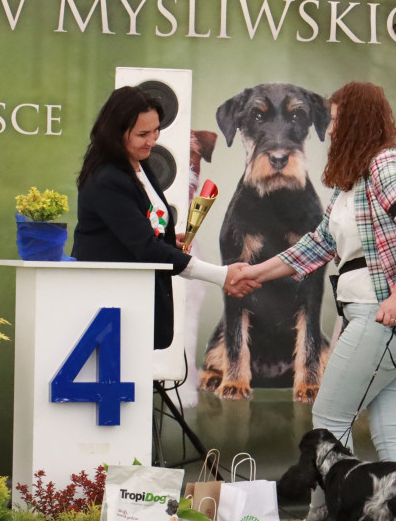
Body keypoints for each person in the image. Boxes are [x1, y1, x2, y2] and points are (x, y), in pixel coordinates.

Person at [233, 82, 396, 521]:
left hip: (387, 321)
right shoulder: (353, 184)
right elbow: (316, 247)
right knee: (392, 433)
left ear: (357, 121)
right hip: (394, 325)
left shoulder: (388, 166)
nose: (328, 130)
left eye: (335, 120)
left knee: (329, 421)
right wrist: (254, 273)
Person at [72, 86, 257, 349]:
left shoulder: (140, 163)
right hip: (109, 310)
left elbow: (144, 232)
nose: (152, 140)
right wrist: (221, 275)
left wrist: (168, 241)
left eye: (156, 130)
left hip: (138, 304)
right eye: (142, 134)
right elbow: (145, 248)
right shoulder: (107, 179)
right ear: (115, 132)